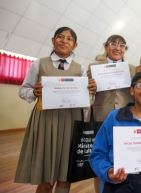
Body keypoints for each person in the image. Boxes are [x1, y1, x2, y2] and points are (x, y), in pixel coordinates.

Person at [15, 26, 96, 193]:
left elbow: (86, 101)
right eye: (60, 37)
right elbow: (23, 90)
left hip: (71, 122)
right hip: (45, 121)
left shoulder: (80, 69)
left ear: (75, 45)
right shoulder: (39, 64)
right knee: (46, 177)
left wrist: (91, 91)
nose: (64, 40)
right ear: (53, 41)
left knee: (65, 176)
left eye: (69, 38)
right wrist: (33, 92)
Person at [89, 70, 141, 193]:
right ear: (131, 90)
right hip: (116, 188)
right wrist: (108, 171)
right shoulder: (114, 118)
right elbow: (97, 154)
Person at [86, 34, 135, 192]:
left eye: (121, 45)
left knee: (127, 159)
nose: (117, 48)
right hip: (101, 117)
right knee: (100, 159)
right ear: (106, 46)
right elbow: (86, 95)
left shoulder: (132, 68)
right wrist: (89, 88)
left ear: (125, 49)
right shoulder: (93, 67)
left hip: (125, 119)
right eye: (113, 44)